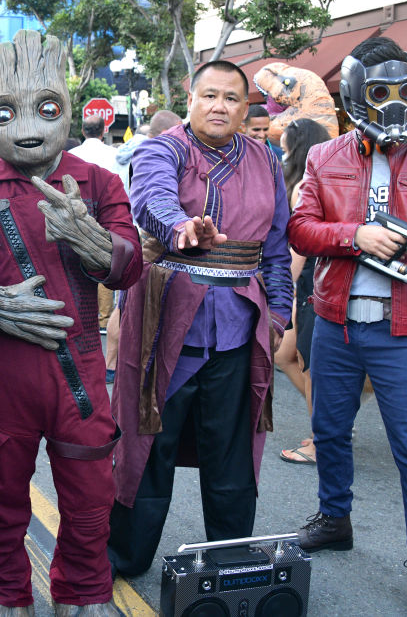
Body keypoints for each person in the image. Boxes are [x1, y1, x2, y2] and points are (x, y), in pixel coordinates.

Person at [289, 36, 407, 617]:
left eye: (404, 90)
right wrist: (355, 236)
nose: (395, 102)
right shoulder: (324, 157)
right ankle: (335, 517)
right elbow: (300, 230)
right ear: (353, 95)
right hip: (336, 322)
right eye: (379, 92)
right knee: (328, 430)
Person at [0, 30, 143, 616]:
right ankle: (1, 590)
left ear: (66, 107)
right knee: (0, 492)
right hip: (2, 371)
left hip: (80, 371)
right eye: (6, 113)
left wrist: (91, 240)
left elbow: (129, 266)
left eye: (45, 109)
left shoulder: (98, 182)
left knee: (91, 497)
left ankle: (83, 592)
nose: (29, 128)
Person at [108, 60, 292, 576]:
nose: (219, 106)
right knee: (147, 448)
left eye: (231, 99)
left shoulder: (266, 160)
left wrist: (279, 313)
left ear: (245, 107)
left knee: (232, 454)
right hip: (164, 325)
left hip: (239, 328)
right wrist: (181, 226)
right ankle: (125, 556)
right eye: (210, 95)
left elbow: (276, 247)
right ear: (190, 98)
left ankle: (229, 562)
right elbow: (150, 201)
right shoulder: (160, 149)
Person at [104, 110, 183, 383]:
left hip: (125, 231)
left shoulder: (127, 150)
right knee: (127, 306)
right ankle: (119, 365)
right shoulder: (153, 152)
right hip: (144, 236)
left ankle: (113, 363)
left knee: (123, 305)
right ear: (165, 133)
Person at [275, 119, 332, 465]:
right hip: (318, 281)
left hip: (310, 283)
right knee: (286, 356)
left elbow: (300, 248)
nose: (282, 157)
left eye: (284, 150)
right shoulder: (324, 180)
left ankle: (320, 441)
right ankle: (329, 422)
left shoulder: (305, 186)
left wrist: (285, 294)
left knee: (310, 367)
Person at [70, 115, 123, 333]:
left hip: (75, 217)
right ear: (103, 131)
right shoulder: (115, 155)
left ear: (83, 131)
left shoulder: (71, 156)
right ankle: (103, 317)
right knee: (102, 262)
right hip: (106, 215)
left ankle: (84, 315)